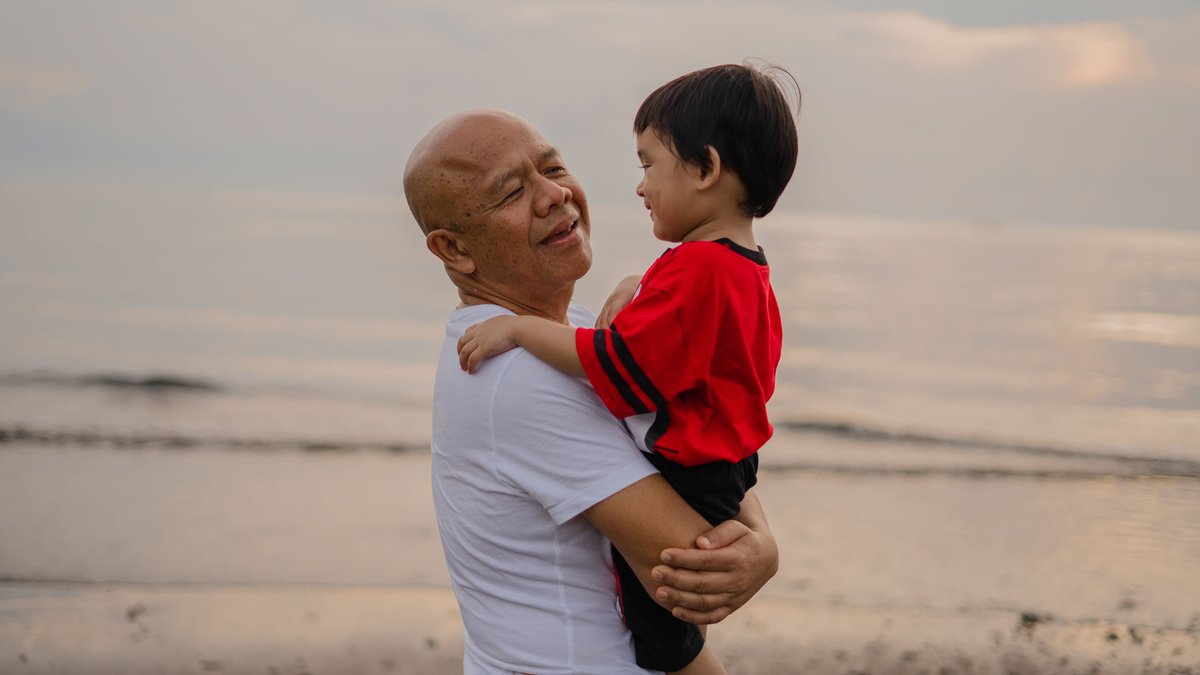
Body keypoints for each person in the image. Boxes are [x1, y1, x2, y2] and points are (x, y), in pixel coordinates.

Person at [404, 108, 780, 674]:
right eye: (511, 193)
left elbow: (694, 436)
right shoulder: (518, 378)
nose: (554, 194)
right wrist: (759, 546)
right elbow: (690, 570)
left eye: (552, 167)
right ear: (454, 250)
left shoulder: (567, 336)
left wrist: (762, 542)